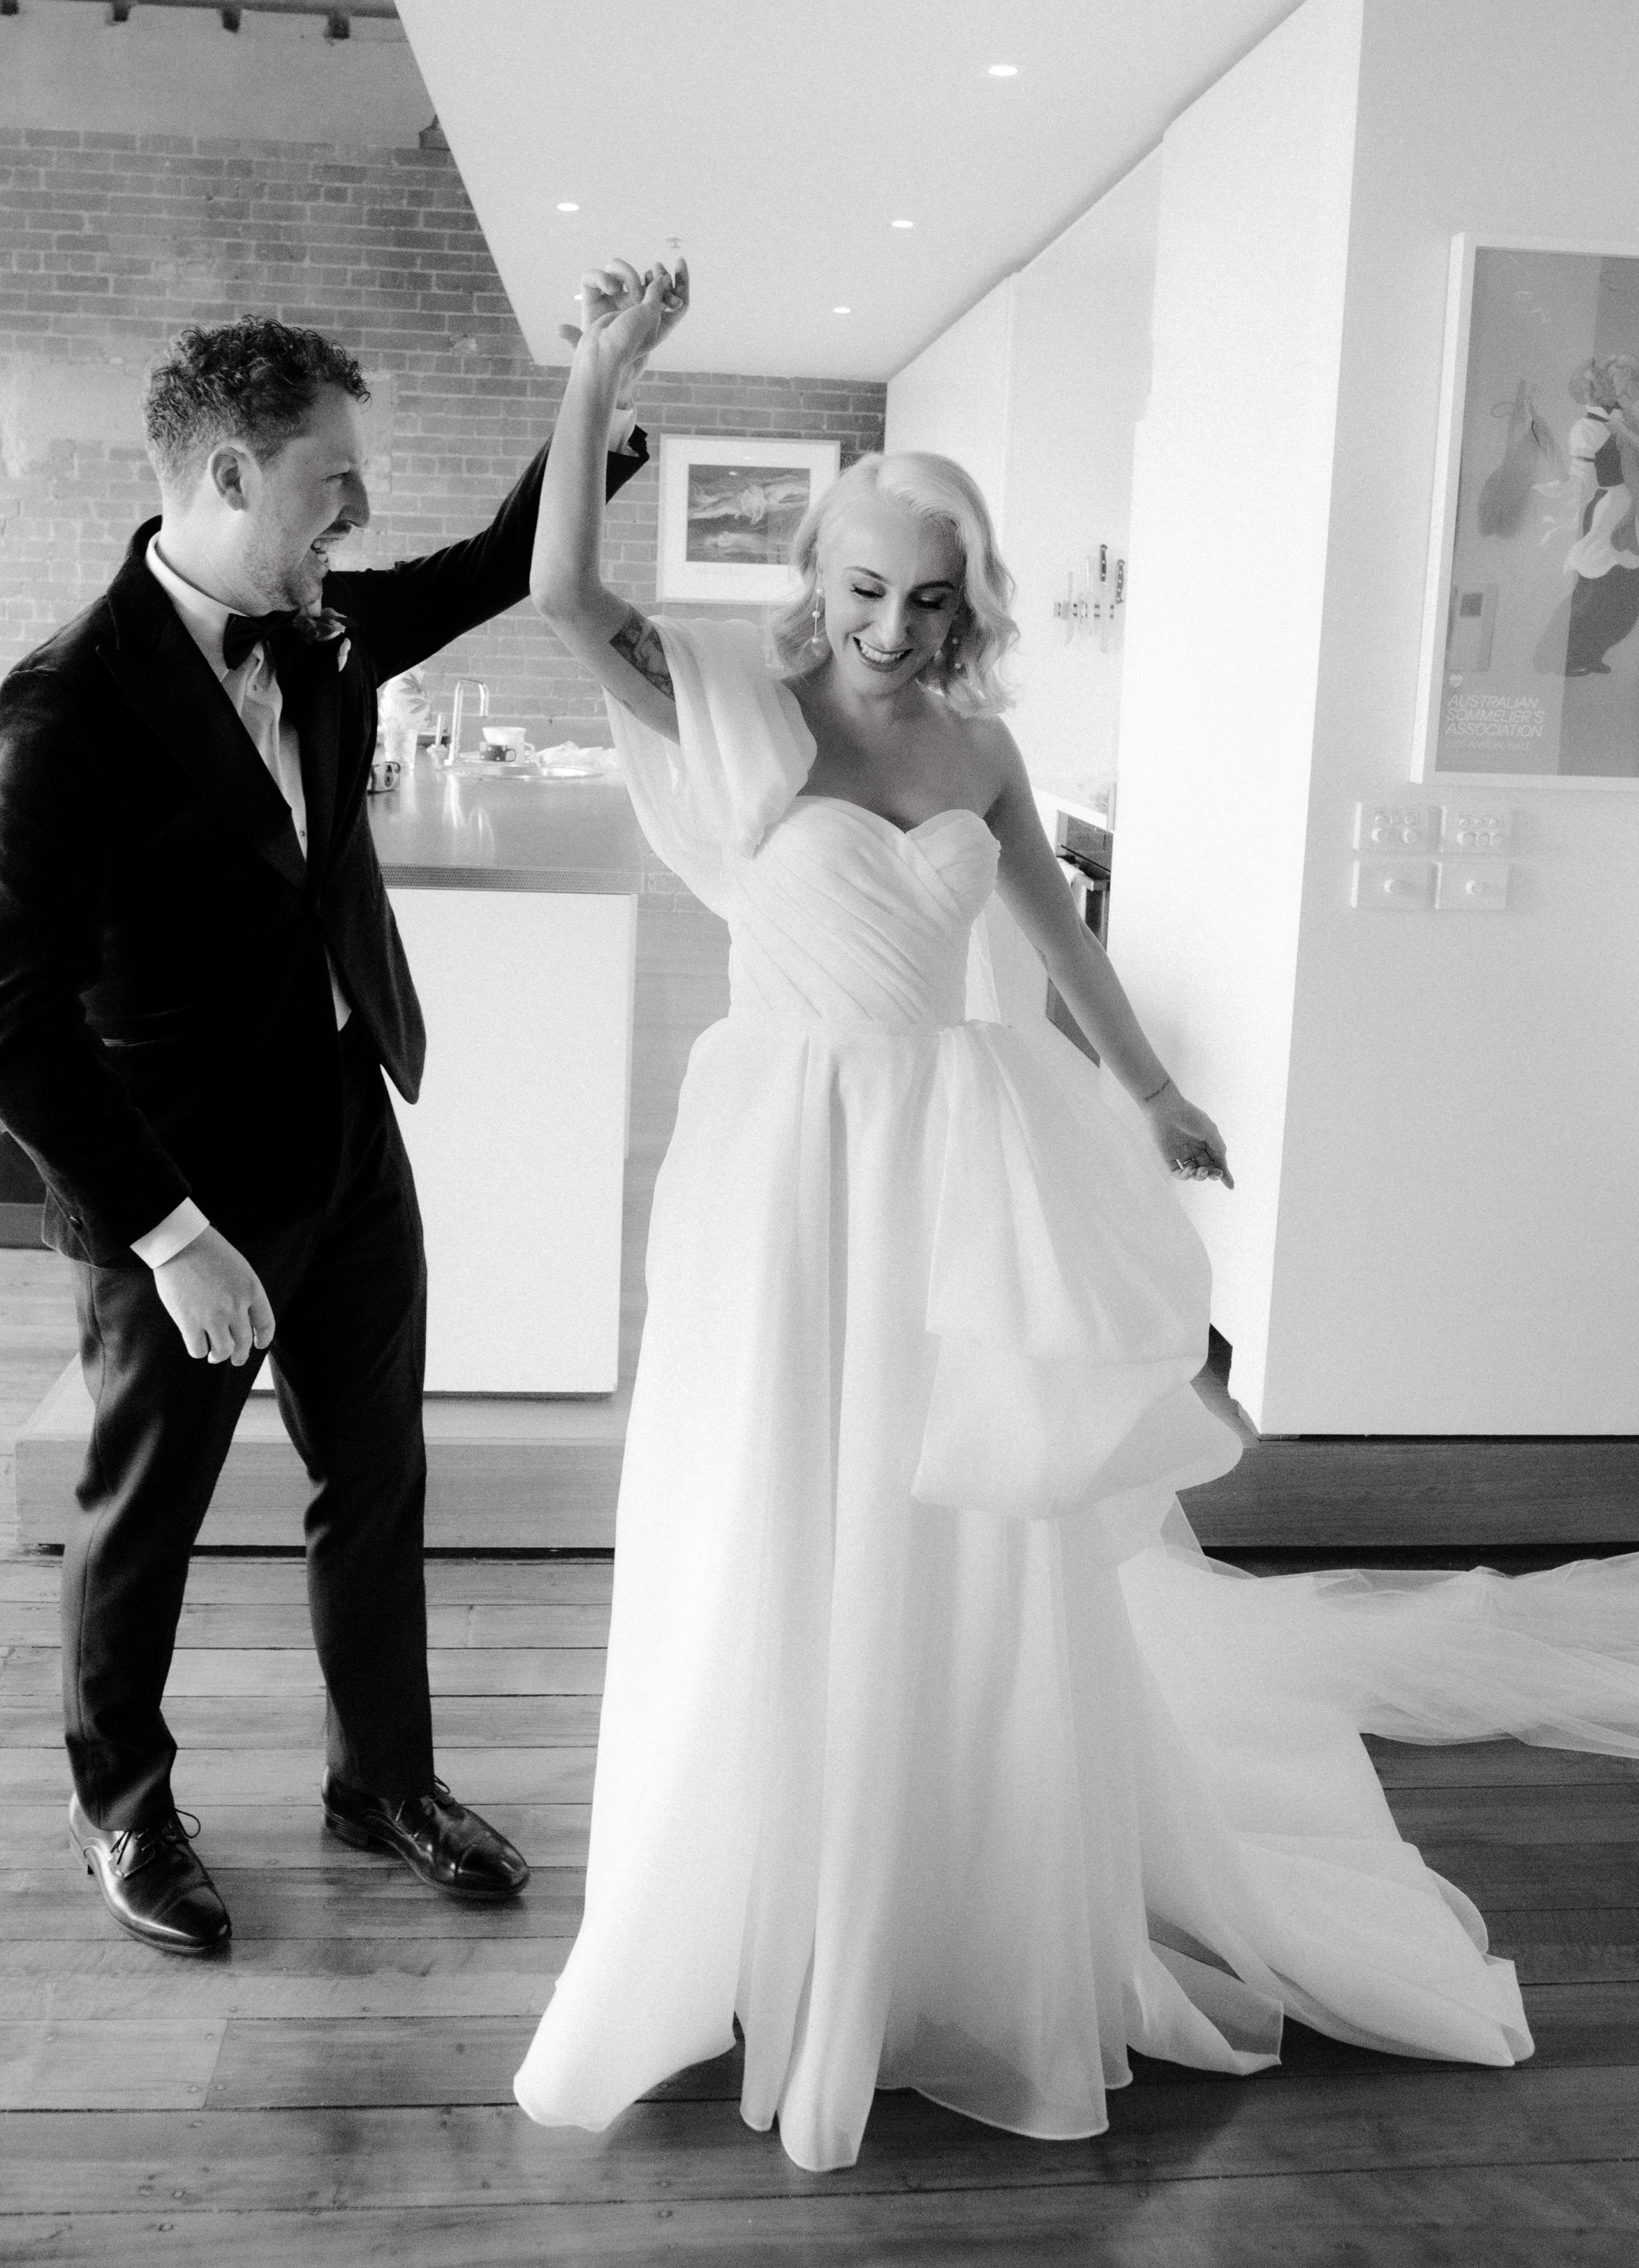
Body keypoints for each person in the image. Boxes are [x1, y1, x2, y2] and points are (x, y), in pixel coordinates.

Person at [513, 257, 1639, 2174]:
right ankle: (757, 1888)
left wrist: (1156, 1090)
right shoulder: (729, 698)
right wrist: (604, 375)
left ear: (967, 607)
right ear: (817, 577)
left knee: (940, 1525)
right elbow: (558, 596)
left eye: (927, 600)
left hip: (940, 1162)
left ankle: (940, 1890)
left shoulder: (976, 748)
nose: (889, 626)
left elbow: (1055, 934)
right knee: (779, 1499)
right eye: (863, 589)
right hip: (782, 1158)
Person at [0, 315, 651, 1955]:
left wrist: (599, 393)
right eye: (330, 481)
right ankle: (124, 1810)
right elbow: (9, 1022)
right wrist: (172, 1233)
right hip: (179, 1188)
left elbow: (497, 560)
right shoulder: (71, 703)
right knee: (147, 1511)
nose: (354, 513)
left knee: (376, 1479)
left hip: (348, 1137)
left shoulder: (324, 626)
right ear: (225, 473)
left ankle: (383, 1782)